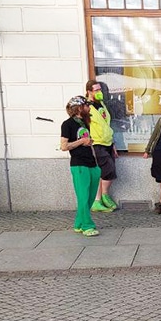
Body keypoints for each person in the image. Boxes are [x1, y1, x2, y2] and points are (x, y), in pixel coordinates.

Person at [59, 96, 100, 237]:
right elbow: (64, 146)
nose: (89, 108)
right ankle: (88, 226)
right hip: (78, 165)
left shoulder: (84, 123)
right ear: (79, 108)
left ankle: (78, 223)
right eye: (86, 105)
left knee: (90, 197)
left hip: (92, 163)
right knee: (83, 197)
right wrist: (81, 141)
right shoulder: (67, 124)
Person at [85, 79, 119, 213]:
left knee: (106, 171)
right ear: (89, 92)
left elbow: (106, 125)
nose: (100, 92)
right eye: (96, 90)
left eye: (100, 90)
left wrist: (113, 144)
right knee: (108, 170)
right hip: (97, 143)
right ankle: (100, 198)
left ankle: (101, 197)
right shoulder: (87, 107)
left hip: (107, 142)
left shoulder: (101, 104)